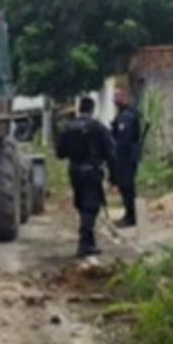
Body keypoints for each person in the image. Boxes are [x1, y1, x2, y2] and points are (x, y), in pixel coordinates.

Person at [56, 97, 116, 258]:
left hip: (74, 171)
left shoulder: (67, 127)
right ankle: (85, 244)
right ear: (92, 109)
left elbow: (60, 153)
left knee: (82, 205)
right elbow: (110, 153)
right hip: (92, 171)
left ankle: (89, 241)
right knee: (91, 207)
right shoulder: (98, 127)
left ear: (79, 109)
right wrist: (114, 176)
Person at [111, 87, 142, 228]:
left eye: (117, 96)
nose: (114, 99)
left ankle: (131, 216)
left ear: (125, 97)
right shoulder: (122, 114)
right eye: (114, 96)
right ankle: (129, 214)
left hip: (126, 156)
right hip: (123, 156)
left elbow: (123, 139)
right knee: (124, 186)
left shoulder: (127, 116)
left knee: (127, 186)